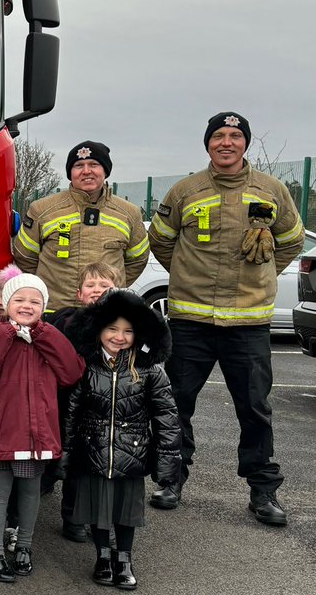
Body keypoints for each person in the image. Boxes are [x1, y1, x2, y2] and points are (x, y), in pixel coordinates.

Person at [147, 111, 304, 526]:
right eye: (219, 136)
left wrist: (264, 272)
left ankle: (263, 491)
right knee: (176, 404)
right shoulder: (185, 190)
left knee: (254, 408)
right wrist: (186, 273)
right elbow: (161, 240)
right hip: (190, 320)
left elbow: (291, 240)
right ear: (208, 143)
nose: (226, 142)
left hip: (248, 324)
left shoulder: (271, 191)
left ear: (245, 143)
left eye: (235, 136)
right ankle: (171, 479)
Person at [0, 273, 84, 583]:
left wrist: (44, 333)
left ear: (44, 306)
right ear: (6, 304)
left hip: (38, 431)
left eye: (35, 301)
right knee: (0, 491)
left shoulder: (49, 336)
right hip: (4, 428)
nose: (26, 305)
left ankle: (25, 547)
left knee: (31, 491)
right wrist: (5, 334)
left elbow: (71, 372)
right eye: (19, 299)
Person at [63, 289, 181, 591]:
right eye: (112, 329)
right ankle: (102, 556)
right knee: (96, 508)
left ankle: (124, 559)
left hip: (132, 454)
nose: (119, 336)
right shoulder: (86, 366)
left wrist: (168, 461)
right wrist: (64, 452)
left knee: (126, 512)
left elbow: (166, 416)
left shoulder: (150, 369)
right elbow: (71, 412)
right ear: (99, 330)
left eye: (128, 331)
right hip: (93, 450)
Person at [12, 141, 150, 310]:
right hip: (54, 312)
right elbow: (24, 257)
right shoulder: (42, 209)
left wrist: (109, 288)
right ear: (70, 172)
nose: (86, 171)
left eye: (94, 164)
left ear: (105, 170)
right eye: (79, 165)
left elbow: (138, 259)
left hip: (106, 314)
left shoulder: (129, 213)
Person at [47, 262, 120, 540]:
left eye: (105, 285)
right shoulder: (68, 322)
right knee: (77, 465)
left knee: (108, 468)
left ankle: (104, 521)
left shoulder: (131, 325)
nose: (97, 290)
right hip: (77, 406)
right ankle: (74, 518)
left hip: (113, 407)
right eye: (91, 285)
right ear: (79, 293)